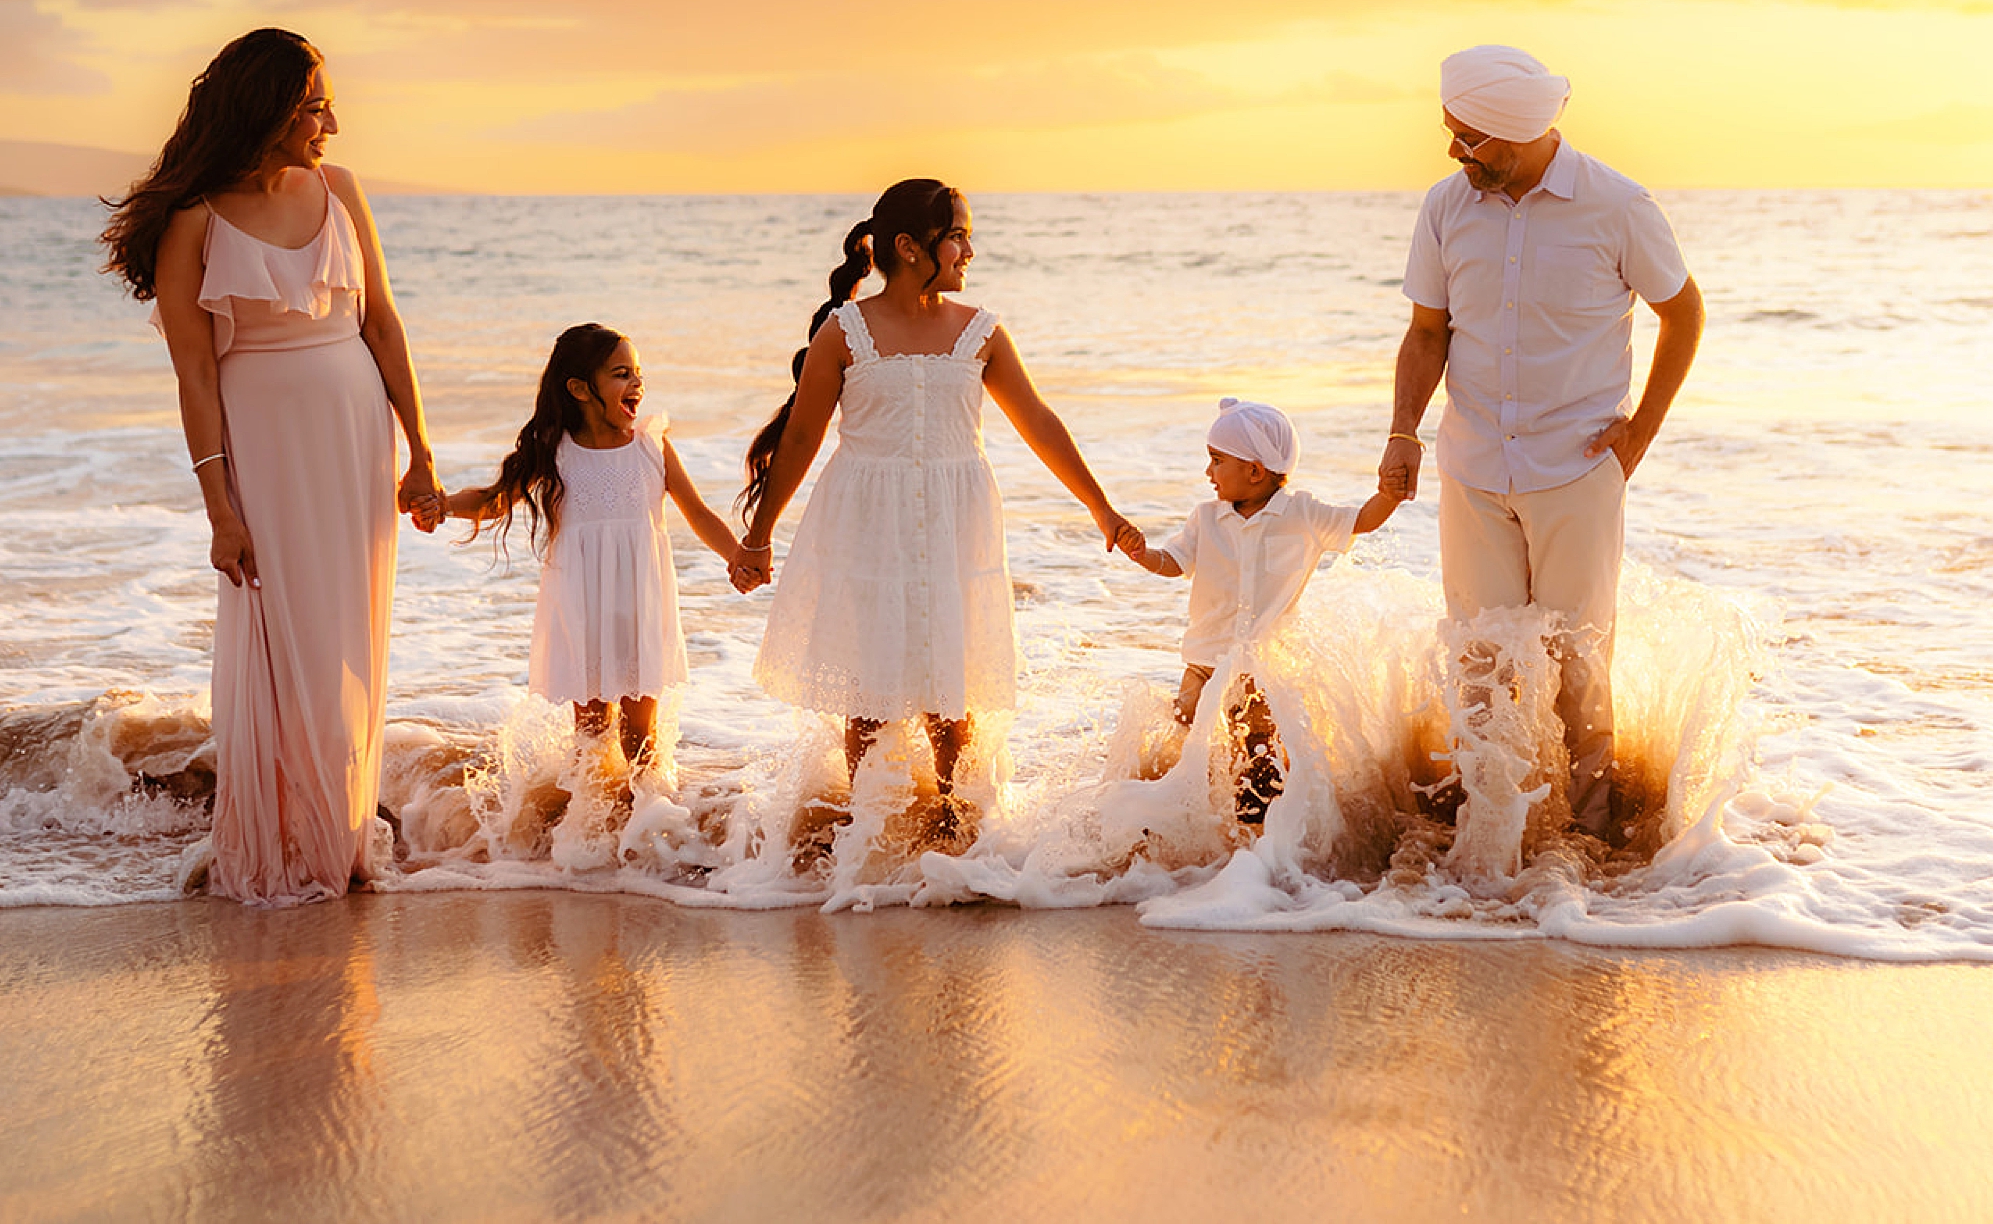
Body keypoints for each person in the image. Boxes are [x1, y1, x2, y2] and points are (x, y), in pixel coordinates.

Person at [101, 27, 442, 904]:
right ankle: (279, 843)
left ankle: (341, 836)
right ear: (270, 110)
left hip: (356, 435)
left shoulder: (340, 190)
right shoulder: (195, 219)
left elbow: (385, 327)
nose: (332, 118)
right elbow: (195, 376)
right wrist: (221, 508)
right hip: (262, 443)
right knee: (279, 639)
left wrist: (421, 454)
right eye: (314, 103)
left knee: (345, 639)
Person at [731, 179, 1141, 831]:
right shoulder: (845, 332)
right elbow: (803, 437)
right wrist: (759, 533)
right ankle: (870, 839)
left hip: (956, 529)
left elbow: (1038, 420)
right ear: (909, 246)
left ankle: (958, 835)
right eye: (957, 235)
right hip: (868, 529)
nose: (969, 249)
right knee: (869, 699)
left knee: (952, 697)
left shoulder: (981, 332)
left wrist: (1101, 507)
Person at [1379, 45, 1705, 841]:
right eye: (1450, 131)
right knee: (1481, 665)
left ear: (1518, 133)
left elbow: (1684, 312)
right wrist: (1403, 432)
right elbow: (1427, 332)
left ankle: (1584, 844)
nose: (1454, 150)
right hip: (1474, 465)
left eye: (1469, 138)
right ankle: (1488, 847)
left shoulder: (1617, 205)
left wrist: (1640, 434)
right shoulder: (1444, 208)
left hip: (1579, 472)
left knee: (1578, 674)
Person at [433, 323, 749, 787]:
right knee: (592, 733)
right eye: (622, 373)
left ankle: (648, 824)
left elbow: (698, 512)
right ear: (580, 388)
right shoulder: (555, 450)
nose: (637, 383)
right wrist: (442, 506)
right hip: (583, 610)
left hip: (641, 606)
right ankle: (591, 834)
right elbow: (495, 499)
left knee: (640, 735)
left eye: (638, 372)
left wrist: (739, 555)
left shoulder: (650, 444)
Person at [1127, 398, 1400, 824]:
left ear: (1254, 471)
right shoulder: (1206, 518)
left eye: (1216, 461)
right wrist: (1144, 554)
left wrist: (1389, 495)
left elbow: (1361, 520)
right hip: (1204, 659)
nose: (1207, 473)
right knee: (1184, 727)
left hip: (1261, 665)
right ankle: (1179, 816)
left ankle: (1260, 829)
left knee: (1256, 746)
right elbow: (1175, 561)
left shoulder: (1303, 514)